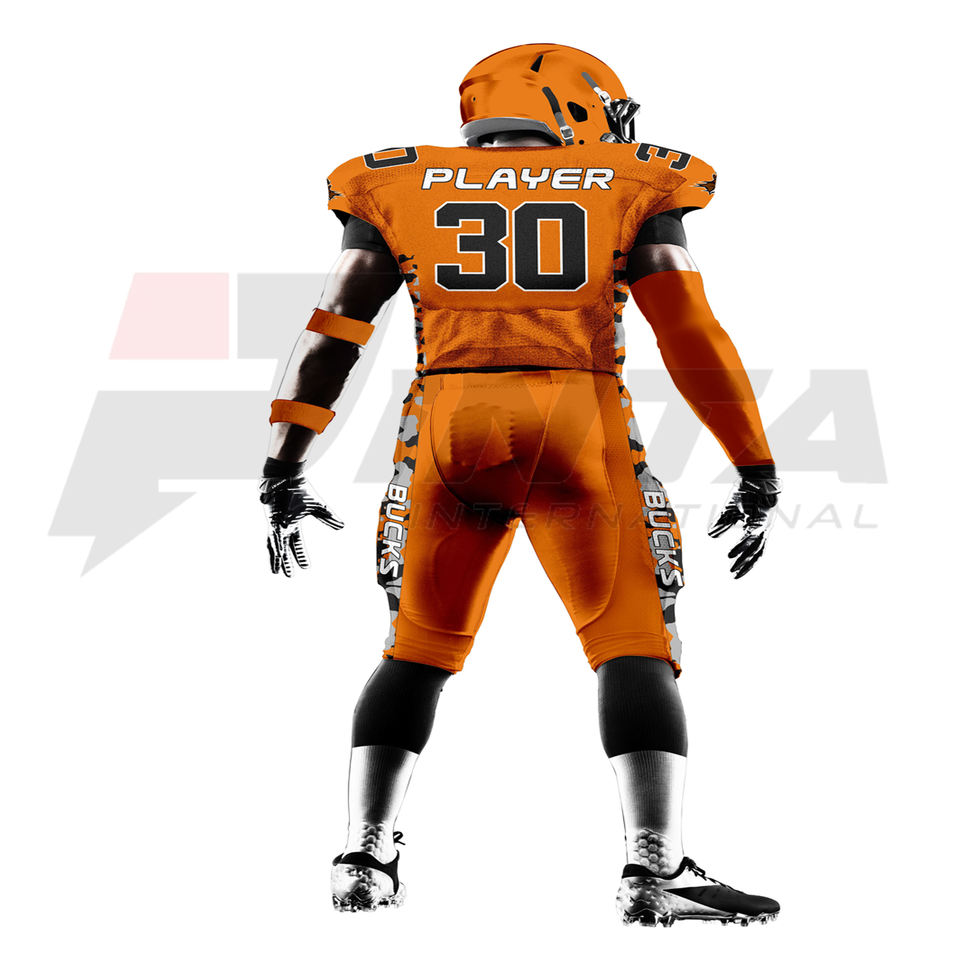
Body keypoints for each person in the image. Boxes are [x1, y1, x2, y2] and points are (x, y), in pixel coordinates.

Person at [259, 44, 782, 926]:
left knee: (415, 649)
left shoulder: (392, 182)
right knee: (634, 642)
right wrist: (754, 464)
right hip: (578, 420)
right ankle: (655, 869)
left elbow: (332, 332)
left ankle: (364, 859)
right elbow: (688, 331)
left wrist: (284, 465)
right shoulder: (632, 178)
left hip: (447, 427)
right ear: (575, 106)